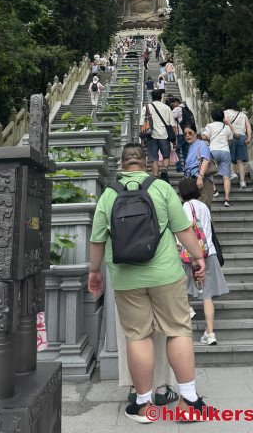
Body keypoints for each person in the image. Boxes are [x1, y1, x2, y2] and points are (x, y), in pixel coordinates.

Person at [88, 143, 213, 423]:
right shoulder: (161, 189)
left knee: (138, 336)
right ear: (146, 163)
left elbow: (97, 240)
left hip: (126, 277)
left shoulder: (108, 195)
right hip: (165, 274)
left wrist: (94, 272)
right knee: (178, 330)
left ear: (121, 164)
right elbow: (183, 229)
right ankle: (189, 402)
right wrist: (198, 258)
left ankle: (144, 405)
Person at [178, 178, 229, 345]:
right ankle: (210, 333)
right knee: (207, 295)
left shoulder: (186, 206)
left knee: (182, 285)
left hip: (192, 254)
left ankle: (187, 310)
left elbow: (185, 229)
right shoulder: (204, 207)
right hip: (209, 252)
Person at [202, 108, 233, 206]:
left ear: (212, 117)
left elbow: (204, 137)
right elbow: (230, 140)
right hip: (225, 151)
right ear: (222, 117)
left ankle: (215, 190)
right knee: (226, 177)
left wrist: (209, 138)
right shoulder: (227, 127)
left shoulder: (210, 126)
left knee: (208, 172)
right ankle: (227, 200)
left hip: (213, 151)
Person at [140, 89, 175, 177]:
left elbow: (141, 124)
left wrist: (143, 138)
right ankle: (164, 170)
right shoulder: (167, 108)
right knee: (166, 156)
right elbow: (172, 125)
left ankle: (155, 176)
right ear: (160, 97)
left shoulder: (146, 108)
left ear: (152, 97)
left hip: (151, 136)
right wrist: (174, 139)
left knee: (154, 159)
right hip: (165, 136)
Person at [182, 124, 214, 210]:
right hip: (193, 182)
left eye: (190, 133)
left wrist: (200, 176)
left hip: (203, 181)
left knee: (203, 210)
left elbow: (206, 160)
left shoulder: (201, 144)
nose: (187, 135)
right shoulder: (191, 147)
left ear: (195, 134)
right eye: (185, 134)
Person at [223, 97, 252, 188]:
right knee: (240, 161)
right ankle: (242, 182)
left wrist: (233, 130)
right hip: (242, 137)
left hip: (231, 136)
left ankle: (233, 174)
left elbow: (226, 121)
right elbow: (248, 126)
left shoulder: (226, 112)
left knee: (228, 157)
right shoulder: (242, 114)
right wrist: (249, 138)